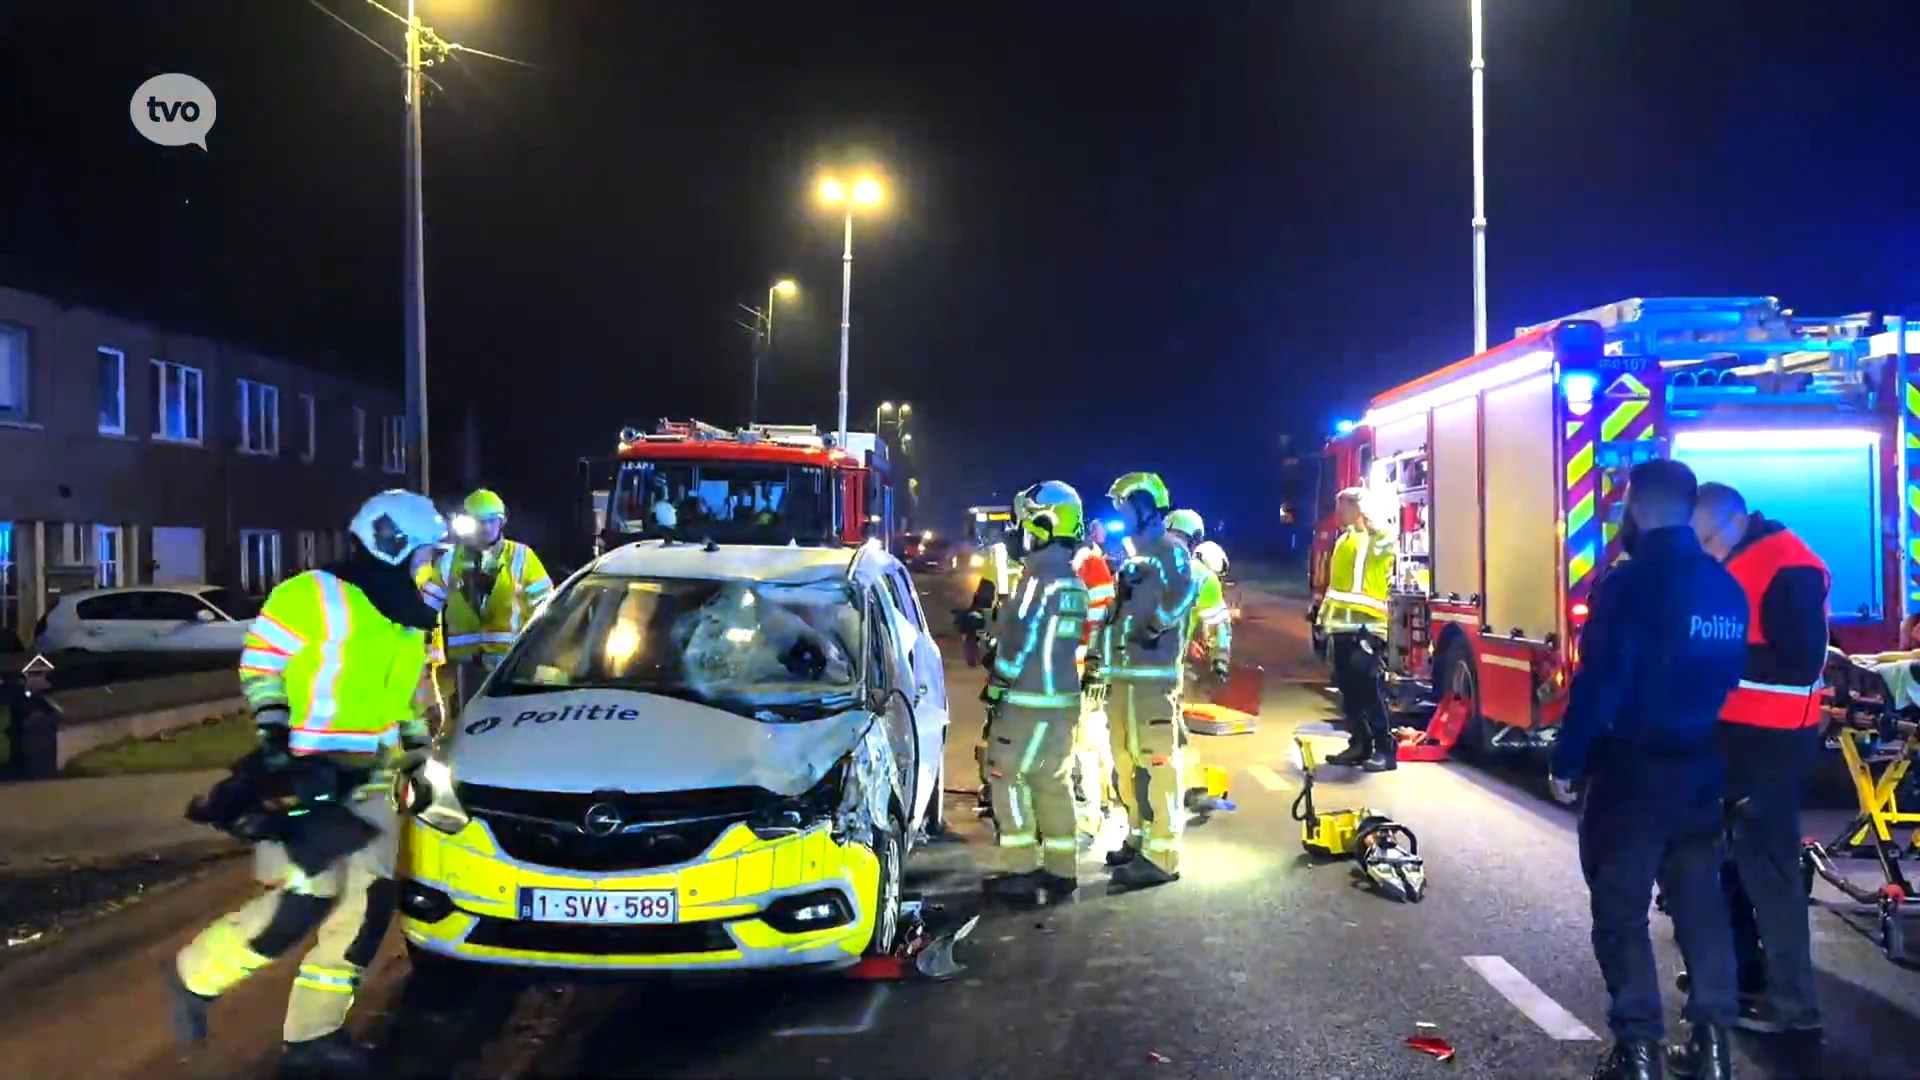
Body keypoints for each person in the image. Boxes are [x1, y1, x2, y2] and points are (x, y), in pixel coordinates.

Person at [168, 490, 448, 1077]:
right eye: (427, 552)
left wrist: (419, 758)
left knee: (367, 908)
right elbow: (261, 663)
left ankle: (313, 1039)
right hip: (304, 773)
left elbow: (407, 697)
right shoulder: (310, 594)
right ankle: (195, 976)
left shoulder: (408, 614)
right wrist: (273, 735)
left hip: (371, 775)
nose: (434, 565)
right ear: (392, 543)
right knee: (305, 900)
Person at [1549, 459, 1749, 1080]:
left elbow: (1601, 682)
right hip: (1699, 772)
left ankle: (1640, 1052)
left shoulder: (1628, 586)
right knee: (1700, 908)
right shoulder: (1725, 588)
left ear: (1635, 505)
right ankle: (1714, 1048)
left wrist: (1567, 760)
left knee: (1621, 911)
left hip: (1633, 775)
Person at [1669, 481, 1826, 1055]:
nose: (1704, 552)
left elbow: (1799, 662)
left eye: (1706, 539)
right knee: (1730, 868)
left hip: (1773, 746)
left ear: (1733, 522)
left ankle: (1796, 1010)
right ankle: (1740, 978)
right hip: (1733, 743)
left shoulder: (1791, 568)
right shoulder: (1735, 555)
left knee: (1771, 877)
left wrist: (1712, 651)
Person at [982, 481, 1092, 906]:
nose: (1019, 532)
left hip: (1026, 701)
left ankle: (1021, 871)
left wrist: (998, 684)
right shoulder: (1073, 583)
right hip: (1062, 701)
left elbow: (1018, 640)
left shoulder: (1035, 581)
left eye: (1026, 523)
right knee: (1054, 781)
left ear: (1044, 525)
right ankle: (1062, 871)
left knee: (1006, 778)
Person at [1102, 472, 1200, 888]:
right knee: (1128, 760)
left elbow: (1186, 586)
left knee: (1157, 762)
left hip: (1152, 678)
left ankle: (1162, 854)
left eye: (1125, 508)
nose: (1121, 516)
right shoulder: (1136, 557)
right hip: (1125, 677)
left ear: (1144, 507)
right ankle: (1139, 837)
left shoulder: (1170, 550)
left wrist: (1158, 624)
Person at [419, 489, 555, 714]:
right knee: (468, 722)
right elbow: (426, 610)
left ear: (501, 522)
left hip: (509, 662)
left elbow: (546, 610)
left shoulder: (521, 556)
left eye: (491, 521)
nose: (485, 527)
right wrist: (428, 656)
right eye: (479, 521)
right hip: (466, 665)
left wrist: (535, 654)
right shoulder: (449, 560)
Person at [1315, 488, 1398, 770]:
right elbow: (1336, 588)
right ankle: (1359, 744)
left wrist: (1370, 519)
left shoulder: (1377, 539)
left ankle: (1385, 751)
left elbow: (1389, 538)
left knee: (1369, 690)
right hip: (1342, 629)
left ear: (1357, 508)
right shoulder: (1344, 540)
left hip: (1368, 629)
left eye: (1342, 508)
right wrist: (1322, 624)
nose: (1337, 514)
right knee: (1348, 689)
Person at [1070, 512, 1119, 841]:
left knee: (1084, 746)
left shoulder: (1091, 566)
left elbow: (1103, 622)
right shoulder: (1052, 566)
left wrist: (1097, 666)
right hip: (1055, 675)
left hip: (1081, 672)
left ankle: (1088, 815)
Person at [1166, 510, 1233, 681]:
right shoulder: (1203, 577)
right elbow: (1219, 627)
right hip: (1166, 669)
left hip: (1122, 664)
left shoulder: (1136, 564)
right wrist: (1221, 661)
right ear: (1194, 540)